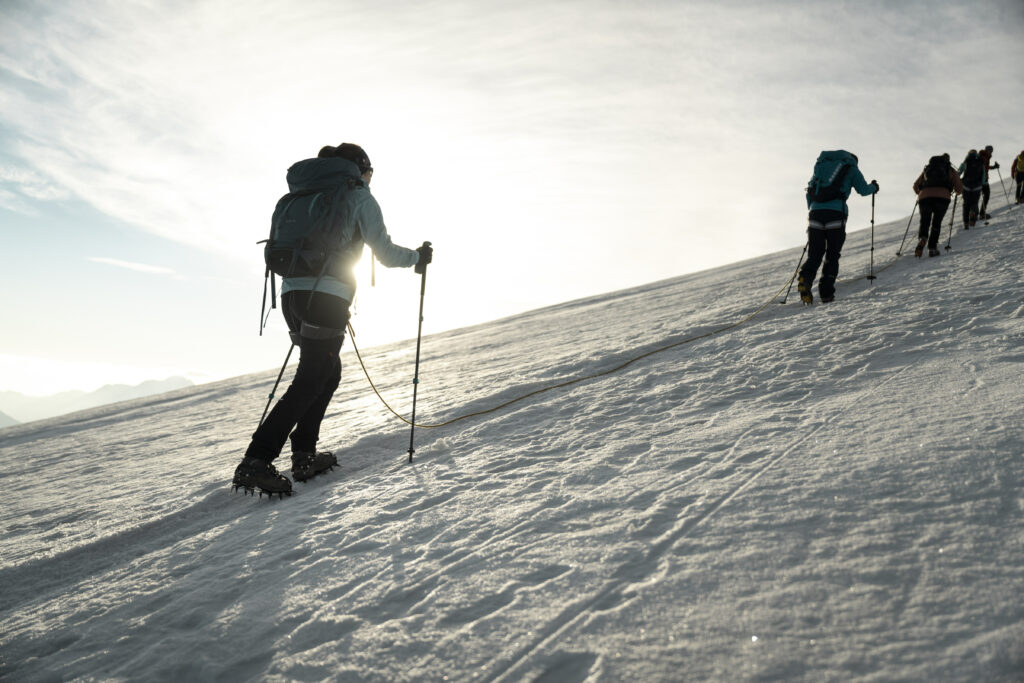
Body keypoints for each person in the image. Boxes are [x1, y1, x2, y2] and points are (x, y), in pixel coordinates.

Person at [233, 143, 433, 497]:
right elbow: (384, 253)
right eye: (369, 173)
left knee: (327, 371)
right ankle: (257, 459)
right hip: (325, 297)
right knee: (312, 377)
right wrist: (418, 257)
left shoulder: (300, 194)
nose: (370, 179)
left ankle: (304, 453)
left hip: (291, 295)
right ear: (360, 168)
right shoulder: (356, 195)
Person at [798, 150, 878, 304]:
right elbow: (863, 190)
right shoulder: (851, 167)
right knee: (832, 254)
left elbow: (810, 191)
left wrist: (815, 208)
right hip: (836, 214)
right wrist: (874, 187)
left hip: (815, 213)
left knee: (815, 253)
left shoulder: (821, 166)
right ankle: (826, 293)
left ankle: (805, 278)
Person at [912, 154, 962, 257]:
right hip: (942, 198)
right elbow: (959, 189)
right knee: (936, 223)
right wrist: (954, 192)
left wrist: (921, 194)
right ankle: (932, 248)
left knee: (925, 220)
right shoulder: (950, 170)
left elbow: (915, 186)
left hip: (924, 197)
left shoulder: (928, 169)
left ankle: (923, 238)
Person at [958, 150, 985, 229]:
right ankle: (973, 212)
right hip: (977, 186)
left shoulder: (966, 161)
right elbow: (983, 175)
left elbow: (958, 173)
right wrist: (982, 184)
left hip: (966, 185)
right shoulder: (980, 161)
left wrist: (958, 181)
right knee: (974, 202)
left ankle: (965, 222)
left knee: (966, 204)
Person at [979, 144, 999, 220]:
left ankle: (975, 214)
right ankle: (981, 214)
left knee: (980, 196)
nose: (991, 152)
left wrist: (994, 167)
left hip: (980, 179)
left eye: (991, 151)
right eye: (990, 150)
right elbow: (984, 168)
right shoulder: (983, 157)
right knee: (986, 195)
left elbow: (986, 167)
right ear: (986, 150)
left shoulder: (985, 157)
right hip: (982, 180)